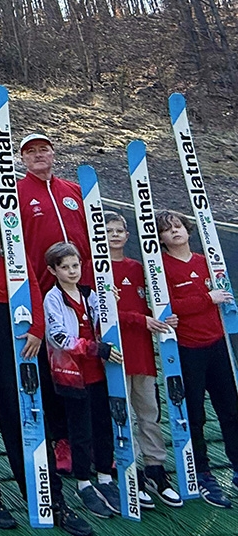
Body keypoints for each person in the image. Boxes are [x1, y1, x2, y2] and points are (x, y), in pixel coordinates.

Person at [0, 167, 92, 536]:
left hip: (10, 324)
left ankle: (47, 497)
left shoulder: (8, 232)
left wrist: (37, 328)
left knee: (20, 411)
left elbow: (30, 282)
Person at [18, 132, 91, 472]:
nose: (38, 156)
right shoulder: (18, 194)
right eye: (31, 152)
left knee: (88, 362)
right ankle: (60, 439)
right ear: (23, 159)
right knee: (55, 370)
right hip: (45, 295)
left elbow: (92, 240)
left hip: (82, 293)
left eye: (43, 149)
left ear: (53, 152)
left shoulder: (73, 191)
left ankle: (90, 439)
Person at [156, 209, 238, 508]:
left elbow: (224, 298)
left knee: (231, 410)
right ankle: (202, 474)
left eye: (178, 226)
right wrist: (206, 299)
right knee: (194, 415)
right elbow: (169, 308)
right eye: (167, 229)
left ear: (187, 230)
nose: (175, 231)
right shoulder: (160, 268)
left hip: (217, 346)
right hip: (188, 350)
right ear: (161, 238)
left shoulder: (206, 263)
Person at [105, 211, 182, 509]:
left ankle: (155, 469)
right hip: (115, 353)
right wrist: (141, 319)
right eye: (108, 230)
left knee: (149, 411)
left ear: (127, 235)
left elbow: (153, 305)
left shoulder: (138, 268)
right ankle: (129, 468)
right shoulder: (92, 269)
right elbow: (101, 315)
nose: (114, 235)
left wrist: (161, 317)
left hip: (142, 353)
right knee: (123, 413)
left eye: (119, 230)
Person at [42, 241, 123, 520]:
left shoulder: (89, 294)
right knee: (80, 431)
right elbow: (58, 337)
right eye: (65, 267)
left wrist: (109, 300)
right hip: (73, 376)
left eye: (75, 265)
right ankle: (83, 483)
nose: (72, 271)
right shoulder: (52, 298)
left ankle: (104, 477)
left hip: (99, 373)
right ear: (53, 270)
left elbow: (103, 321)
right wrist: (93, 348)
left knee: (103, 426)